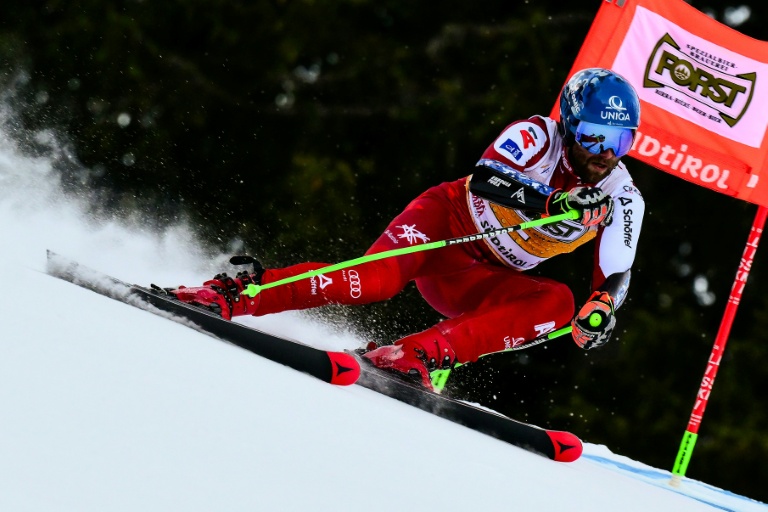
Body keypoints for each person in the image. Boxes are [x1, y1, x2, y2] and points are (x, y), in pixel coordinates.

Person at [170, 68, 645, 390]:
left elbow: (616, 272)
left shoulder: (622, 195)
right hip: (445, 226)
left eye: (621, 141)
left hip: (477, 279)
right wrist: (553, 201)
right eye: (594, 135)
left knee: (559, 303)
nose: (606, 153)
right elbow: (487, 178)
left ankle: (413, 354)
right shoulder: (537, 135)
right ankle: (235, 294)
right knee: (373, 282)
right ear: (571, 126)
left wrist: (601, 308)